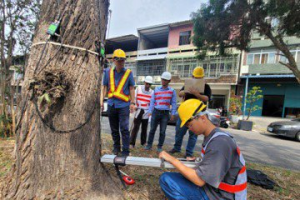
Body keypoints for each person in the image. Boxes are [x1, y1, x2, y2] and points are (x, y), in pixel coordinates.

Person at [159, 99, 247, 200]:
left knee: (167, 179)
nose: (189, 129)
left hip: (221, 196)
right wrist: (201, 161)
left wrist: (172, 159)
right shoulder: (215, 136)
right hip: (216, 190)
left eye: (190, 125)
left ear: (202, 118)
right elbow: (215, 162)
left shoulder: (219, 143)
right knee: (178, 176)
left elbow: (199, 181)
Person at [168, 66, 211, 161]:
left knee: (193, 134)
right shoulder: (188, 84)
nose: (196, 79)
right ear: (192, 76)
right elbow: (180, 93)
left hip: (196, 113)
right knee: (179, 131)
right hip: (184, 112)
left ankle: (189, 153)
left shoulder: (206, 86)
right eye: (195, 77)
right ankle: (177, 147)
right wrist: (187, 90)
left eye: (199, 78)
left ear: (202, 77)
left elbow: (207, 98)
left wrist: (197, 94)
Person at [101, 49, 135, 157]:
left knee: (124, 128)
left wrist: (133, 103)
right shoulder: (108, 72)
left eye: (123, 60)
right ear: (114, 60)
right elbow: (104, 87)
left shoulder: (128, 73)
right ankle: (116, 147)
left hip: (124, 106)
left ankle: (125, 150)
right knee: (114, 128)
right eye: (119, 60)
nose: (121, 63)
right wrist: (101, 100)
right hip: (111, 105)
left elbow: (131, 88)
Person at [144, 71, 177, 152]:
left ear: (169, 81)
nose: (163, 81)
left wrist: (173, 114)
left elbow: (174, 103)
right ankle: (149, 145)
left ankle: (160, 146)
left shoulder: (172, 91)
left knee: (162, 131)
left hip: (165, 113)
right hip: (155, 111)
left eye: (165, 80)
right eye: (162, 79)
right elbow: (152, 101)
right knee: (152, 130)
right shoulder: (156, 89)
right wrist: (150, 111)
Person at [129, 76, 154, 148]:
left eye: (149, 84)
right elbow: (134, 97)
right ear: (144, 82)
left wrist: (150, 111)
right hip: (138, 110)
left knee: (144, 128)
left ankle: (143, 142)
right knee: (135, 127)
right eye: (147, 83)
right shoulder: (139, 88)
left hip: (146, 111)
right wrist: (135, 105)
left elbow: (151, 103)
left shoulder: (152, 92)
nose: (148, 85)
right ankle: (131, 143)